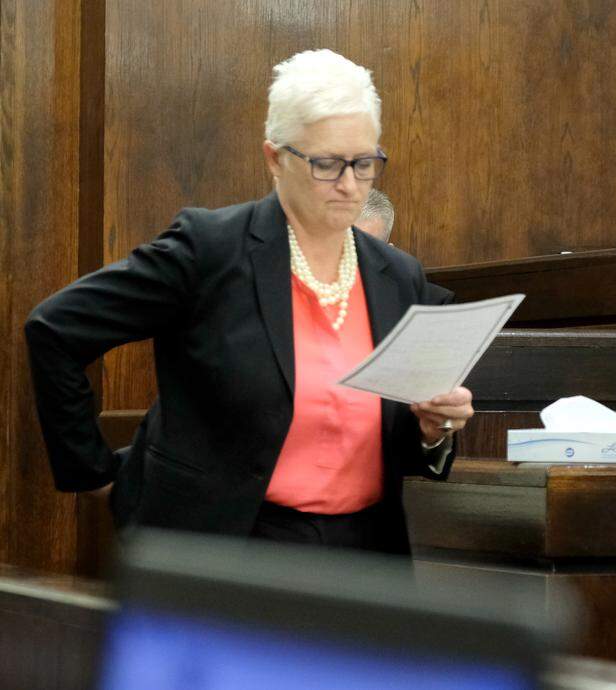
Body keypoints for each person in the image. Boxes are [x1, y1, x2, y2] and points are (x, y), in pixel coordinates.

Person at [25, 49, 474, 553]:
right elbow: (54, 330)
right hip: (224, 548)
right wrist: (93, 476)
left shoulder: (398, 275)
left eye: (365, 163)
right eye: (327, 164)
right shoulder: (210, 249)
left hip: (362, 551)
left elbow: (397, 442)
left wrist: (433, 430)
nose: (350, 185)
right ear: (275, 158)